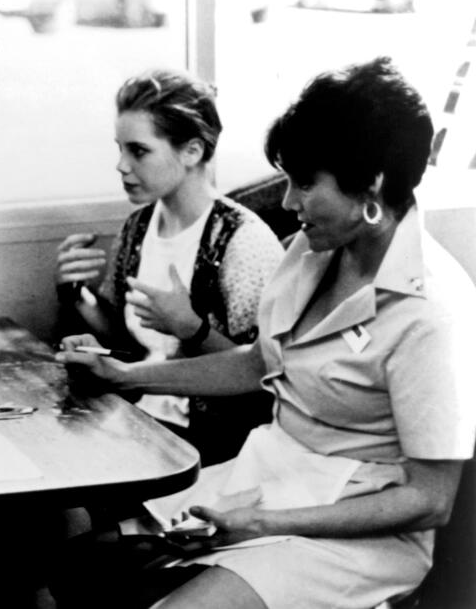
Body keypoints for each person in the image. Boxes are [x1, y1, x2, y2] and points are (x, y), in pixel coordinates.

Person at [52, 57, 476, 609]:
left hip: (354, 536)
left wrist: (263, 523)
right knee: (67, 571)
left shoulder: (431, 309)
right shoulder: (313, 248)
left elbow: (429, 501)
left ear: (370, 183)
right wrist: (130, 375)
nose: (288, 204)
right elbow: (260, 362)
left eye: (305, 184)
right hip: (270, 483)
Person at [57, 68, 284, 465]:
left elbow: (264, 378)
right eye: (120, 149)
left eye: (138, 151)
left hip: (207, 445)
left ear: (192, 151)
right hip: (137, 417)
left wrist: (191, 329)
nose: (121, 166)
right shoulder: (140, 225)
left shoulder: (243, 241)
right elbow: (129, 342)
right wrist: (77, 295)